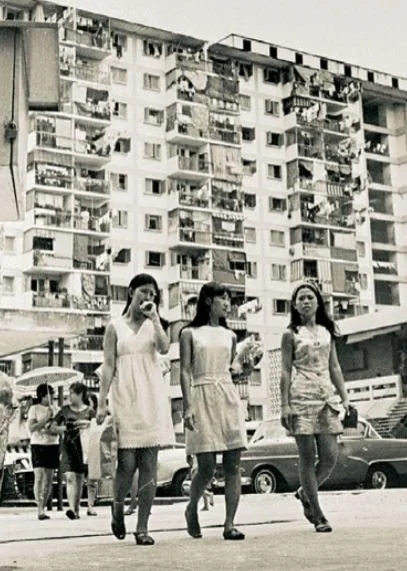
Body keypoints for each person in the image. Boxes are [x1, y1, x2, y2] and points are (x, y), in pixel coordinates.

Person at [96, 273, 173, 546]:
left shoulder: (154, 325)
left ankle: (142, 527)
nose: (148, 297)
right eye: (144, 291)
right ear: (131, 292)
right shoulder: (115, 326)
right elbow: (108, 366)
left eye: (153, 294)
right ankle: (117, 507)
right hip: (125, 397)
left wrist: (155, 318)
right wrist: (102, 402)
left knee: (149, 465)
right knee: (126, 464)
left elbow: (165, 348)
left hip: (151, 398)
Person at [280, 282, 350, 533]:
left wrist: (345, 397)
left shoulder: (326, 331)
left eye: (310, 297)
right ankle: (318, 514)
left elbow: (334, 366)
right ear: (295, 305)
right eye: (301, 299)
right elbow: (285, 371)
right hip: (301, 397)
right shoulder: (290, 334)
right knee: (307, 457)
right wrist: (285, 405)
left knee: (330, 456)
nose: (306, 302)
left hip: (326, 397)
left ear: (318, 302)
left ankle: (305, 492)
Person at [180, 281, 247, 541]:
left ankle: (230, 523)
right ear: (209, 300)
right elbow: (185, 371)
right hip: (201, 394)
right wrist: (187, 406)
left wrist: (245, 368)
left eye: (229, 299)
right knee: (206, 466)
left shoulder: (230, 336)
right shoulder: (189, 333)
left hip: (227, 394)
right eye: (224, 299)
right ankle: (191, 507)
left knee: (233, 463)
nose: (228, 304)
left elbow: (232, 369)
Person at [52, 382, 94, 520]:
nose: (69, 396)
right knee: (70, 477)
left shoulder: (89, 411)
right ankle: (70, 507)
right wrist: (67, 428)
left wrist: (87, 425)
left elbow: (98, 426)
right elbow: (53, 427)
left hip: (83, 447)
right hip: (68, 445)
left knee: (79, 478)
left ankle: (76, 508)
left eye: (72, 393)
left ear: (80, 394)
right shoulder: (64, 410)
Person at [27, 384, 59, 521]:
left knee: (49, 479)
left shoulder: (56, 409)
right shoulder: (34, 409)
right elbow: (32, 427)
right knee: (39, 476)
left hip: (52, 444)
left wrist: (51, 427)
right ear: (43, 396)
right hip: (38, 444)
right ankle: (39, 507)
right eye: (50, 394)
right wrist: (46, 418)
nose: (52, 397)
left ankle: (43, 505)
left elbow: (58, 428)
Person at [86, 392, 100, 516]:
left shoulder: (97, 416)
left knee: (92, 479)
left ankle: (90, 505)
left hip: (93, 447)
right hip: (83, 447)